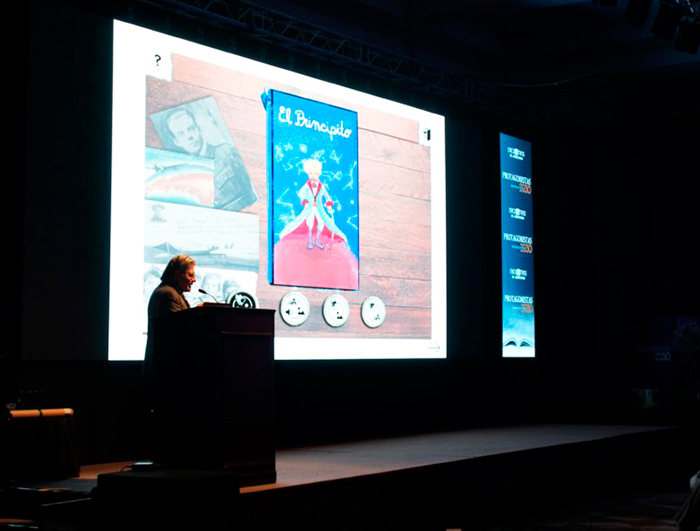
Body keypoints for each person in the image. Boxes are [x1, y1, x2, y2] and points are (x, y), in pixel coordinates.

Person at [143, 255, 196, 379]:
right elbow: (179, 331)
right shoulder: (168, 294)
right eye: (190, 275)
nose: (194, 280)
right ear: (177, 274)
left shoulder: (173, 292)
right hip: (167, 370)